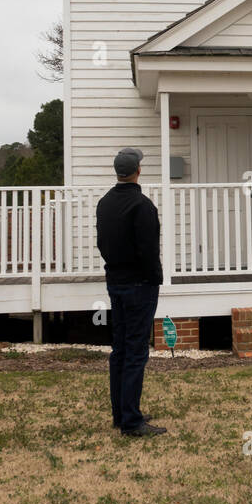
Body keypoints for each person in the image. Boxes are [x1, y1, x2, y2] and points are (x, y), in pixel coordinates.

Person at [96, 148, 167, 437]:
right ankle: (132, 422)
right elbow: (149, 251)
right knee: (136, 351)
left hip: (115, 282)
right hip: (140, 286)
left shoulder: (104, 203)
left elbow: (102, 244)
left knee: (121, 349)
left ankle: (122, 413)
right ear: (138, 171)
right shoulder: (142, 205)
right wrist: (155, 279)